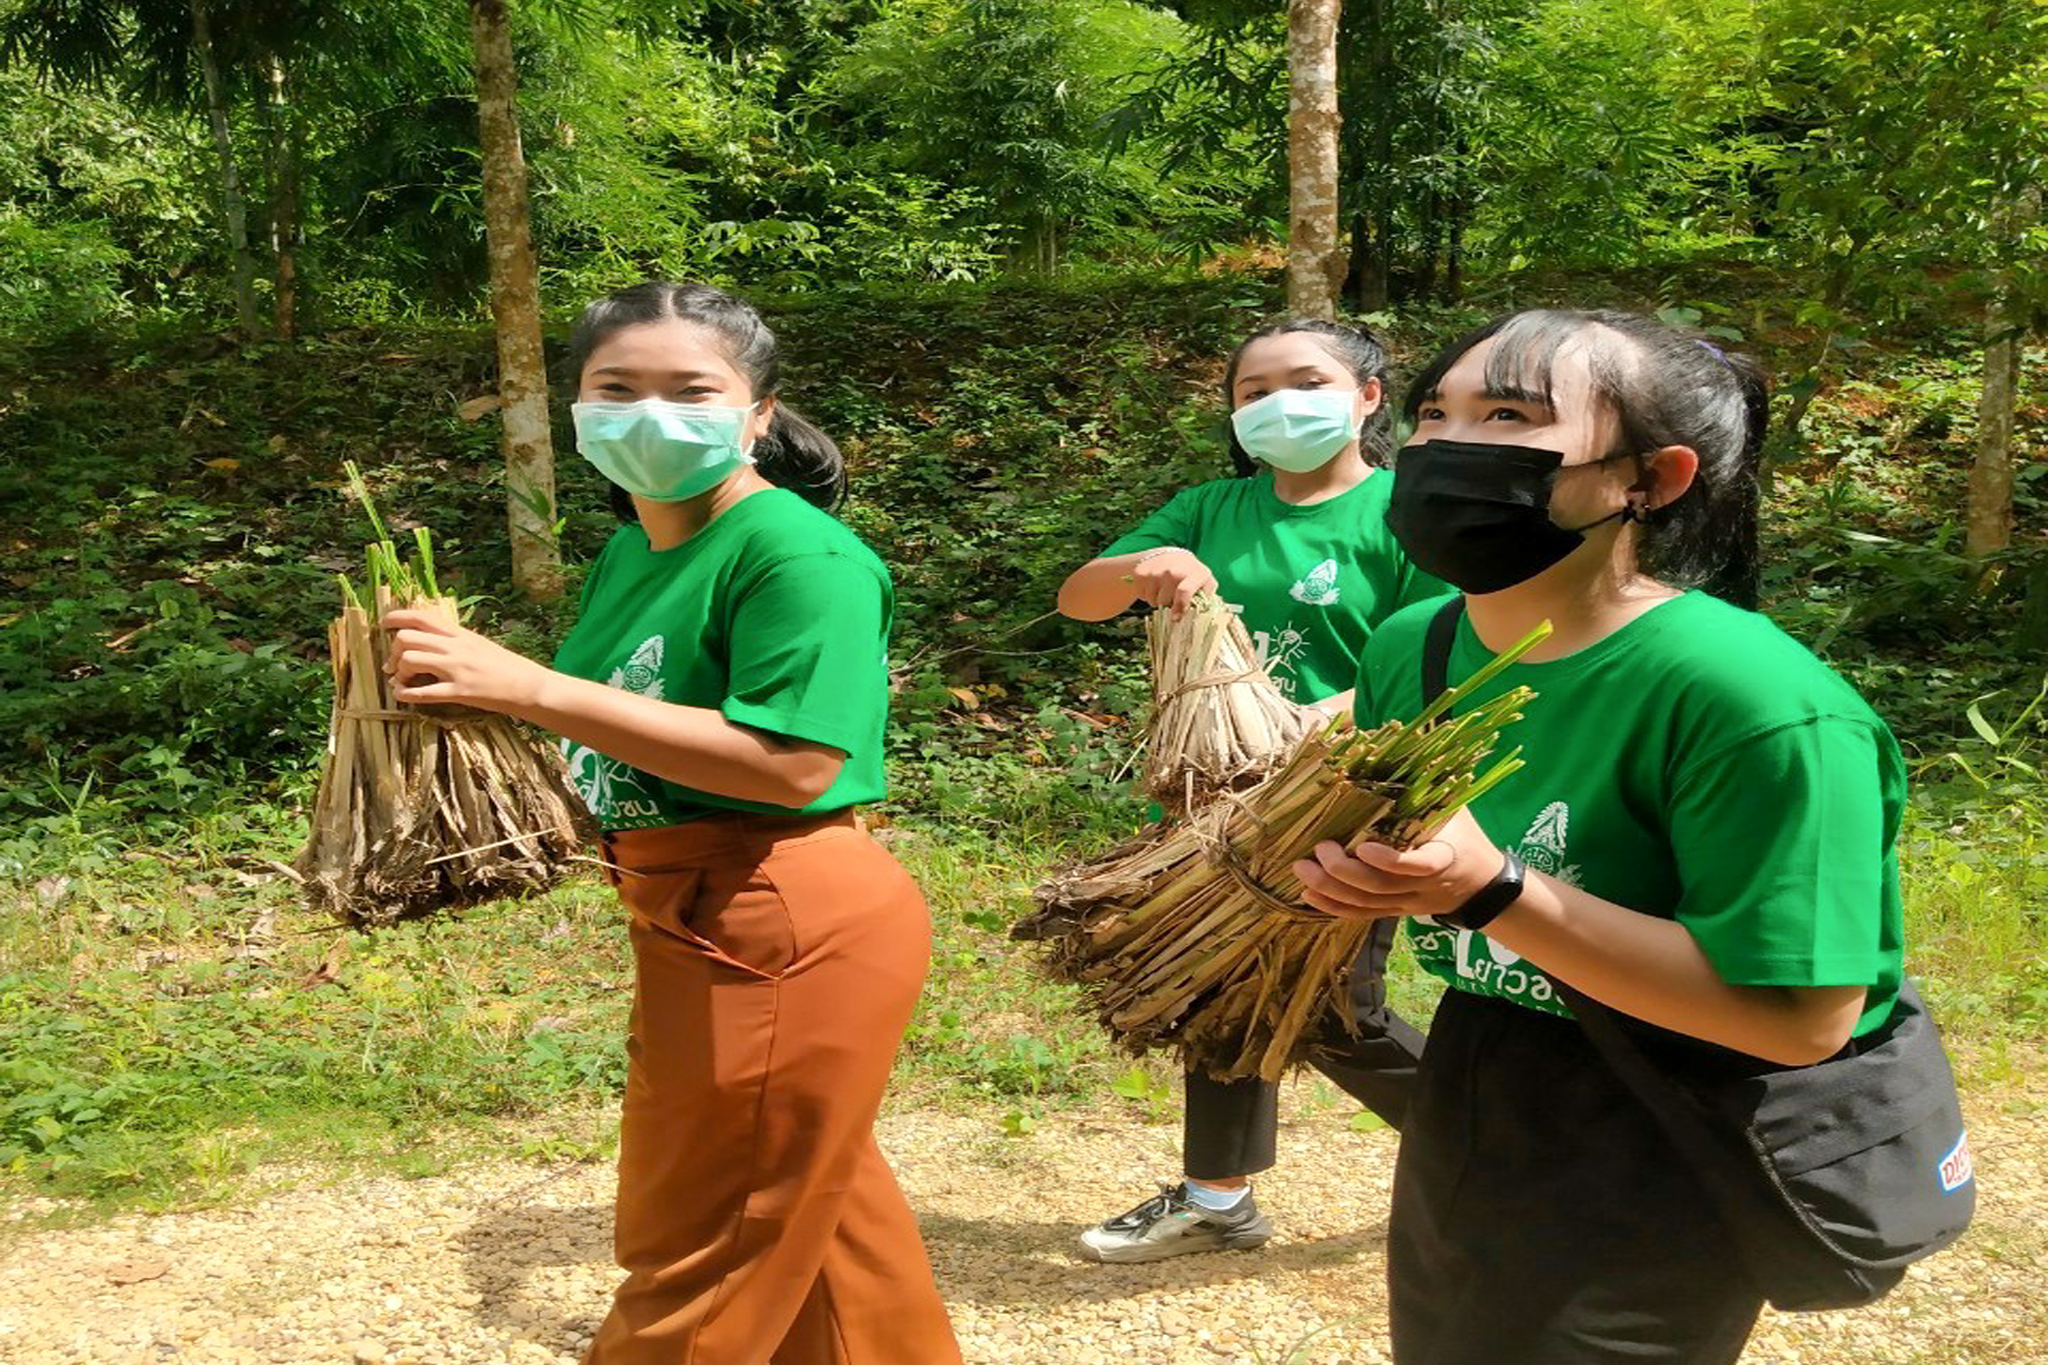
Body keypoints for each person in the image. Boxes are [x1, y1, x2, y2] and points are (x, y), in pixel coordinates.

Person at [1294, 309, 1906, 1364]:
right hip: (1480, 1063)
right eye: (1433, 413)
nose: (1444, 447)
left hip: (1666, 1110)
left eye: (1507, 416)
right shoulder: (1414, 643)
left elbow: (1799, 1019)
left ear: (1651, 480)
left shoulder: (1752, 701)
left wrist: (1490, 892)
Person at [381, 281, 961, 1365]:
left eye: (691, 389)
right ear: (576, 411)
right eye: (617, 389)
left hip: (781, 917)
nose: (650, 415)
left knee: (701, 1241)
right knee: (821, 1224)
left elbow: (795, 766)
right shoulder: (631, 551)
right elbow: (620, 728)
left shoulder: (798, 555)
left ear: (757, 414)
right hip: (687, 911)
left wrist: (526, 688)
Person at [1056, 318, 1446, 1263]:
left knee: (1329, 1006)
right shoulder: (1208, 508)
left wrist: (1344, 711)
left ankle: (1520, 1150)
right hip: (1213, 801)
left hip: (1345, 797)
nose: (1276, 403)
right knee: (1220, 980)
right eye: (1251, 391)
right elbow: (1079, 596)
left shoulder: (1408, 514)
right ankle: (1215, 1197)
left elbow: (1448, 647)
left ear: (1367, 397)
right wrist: (1146, 568)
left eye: (1304, 380)